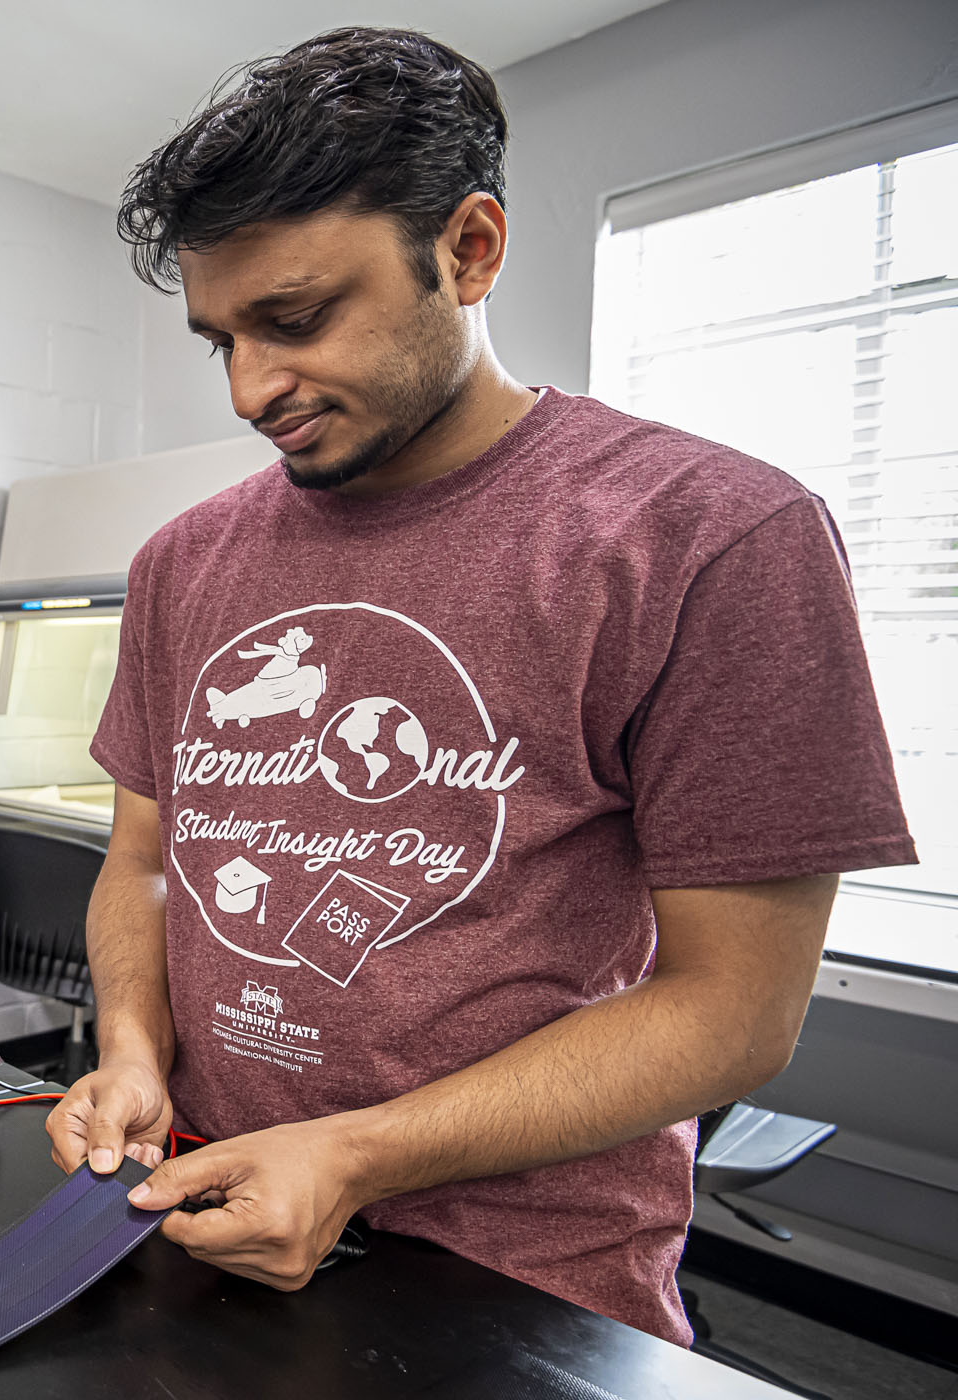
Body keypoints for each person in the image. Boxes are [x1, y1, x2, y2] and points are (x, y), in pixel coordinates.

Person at [48, 26, 916, 1344]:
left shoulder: (710, 535)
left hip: (519, 1290)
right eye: (219, 337)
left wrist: (349, 1156)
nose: (248, 388)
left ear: (470, 250)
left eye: (293, 320)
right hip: (200, 1216)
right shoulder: (182, 564)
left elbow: (733, 1012)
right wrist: (130, 1052)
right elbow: (149, 859)